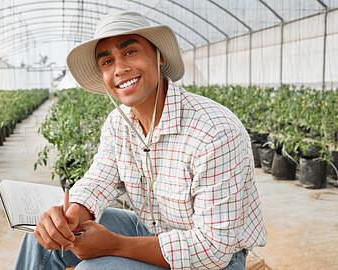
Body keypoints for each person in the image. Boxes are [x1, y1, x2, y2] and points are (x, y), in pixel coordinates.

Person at [15, 11, 266, 270]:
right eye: (107, 61)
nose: (120, 69)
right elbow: (97, 181)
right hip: (150, 230)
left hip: (216, 260)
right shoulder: (118, 123)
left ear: (159, 57)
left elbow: (214, 250)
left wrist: (114, 244)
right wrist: (68, 216)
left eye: (130, 52)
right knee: (41, 237)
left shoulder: (214, 131)